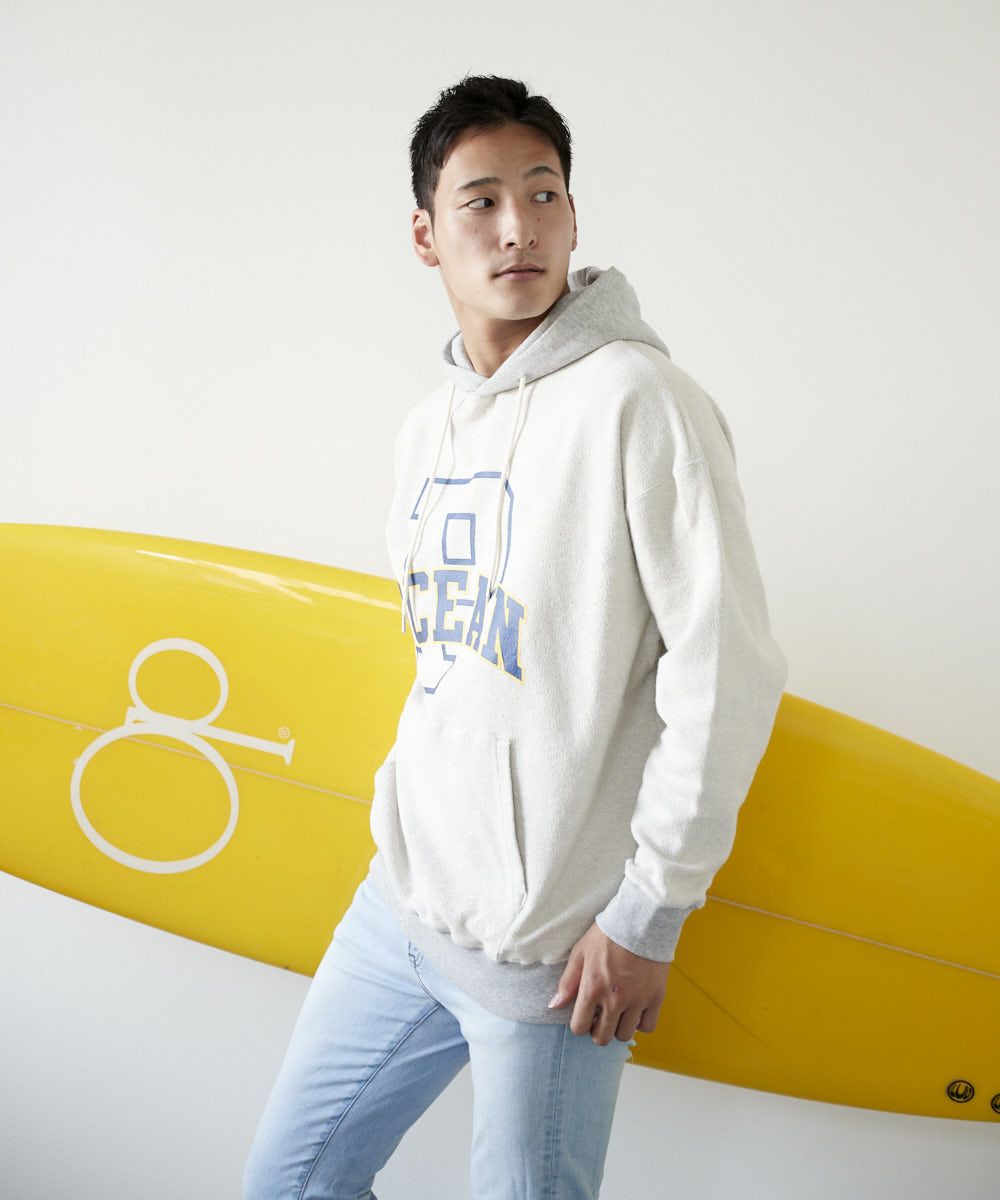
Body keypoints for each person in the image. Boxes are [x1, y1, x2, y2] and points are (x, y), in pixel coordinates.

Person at [243, 72, 788, 1200]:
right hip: (400, 911)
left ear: (574, 218)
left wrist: (647, 918)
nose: (517, 228)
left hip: (554, 961)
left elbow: (727, 676)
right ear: (425, 235)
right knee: (286, 1186)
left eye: (544, 195)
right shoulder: (426, 428)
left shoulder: (644, 403)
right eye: (481, 201)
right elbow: (448, 666)